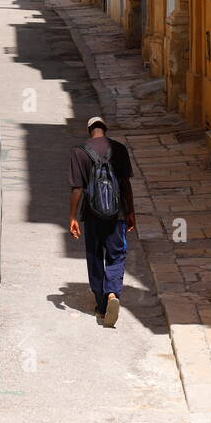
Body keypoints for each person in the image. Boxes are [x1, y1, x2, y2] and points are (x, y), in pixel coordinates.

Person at [69, 117, 135, 326]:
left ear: (89, 130)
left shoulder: (79, 151)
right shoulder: (120, 149)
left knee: (95, 256)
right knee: (116, 255)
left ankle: (101, 305)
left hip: (92, 215)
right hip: (117, 215)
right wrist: (130, 212)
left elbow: (77, 189)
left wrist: (72, 217)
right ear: (105, 130)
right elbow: (125, 185)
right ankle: (113, 293)